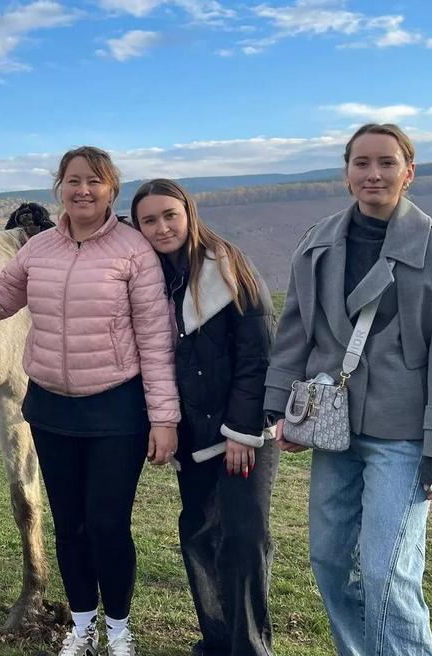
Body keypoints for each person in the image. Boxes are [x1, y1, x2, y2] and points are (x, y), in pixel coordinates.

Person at [0, 146, 180, 656]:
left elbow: (155, 339)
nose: (83, 190)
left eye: (94, 181)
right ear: (60, 188)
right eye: (73, 181)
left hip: (115, 410)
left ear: (111, 189)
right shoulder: (39, 249)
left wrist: (163, 417)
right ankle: (81, 625)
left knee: (108, 525)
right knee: (69, 526)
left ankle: (118, 630)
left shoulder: (134, 251)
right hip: (52, 409)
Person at [264, 123, 432, 656]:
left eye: (386, 162)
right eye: (361, 163)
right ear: (346, 172)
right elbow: (295, 331)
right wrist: (278, 408)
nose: (373, 173)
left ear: (409, 172)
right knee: (330, 563)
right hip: (333, 428)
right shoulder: (316, 243)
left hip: (404, 435)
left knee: (387, 572)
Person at [131, 179, 278, 656]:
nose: (161, 227)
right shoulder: (149, 277)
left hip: (240, 432)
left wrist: (242, 432)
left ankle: (249, 648)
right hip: (193, 432)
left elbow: (257, 355)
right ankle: (216, 642)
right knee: (198, 533)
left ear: (189, 213)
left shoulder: (229, 268)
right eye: (149, 220)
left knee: (243, 538)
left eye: (169, 215)